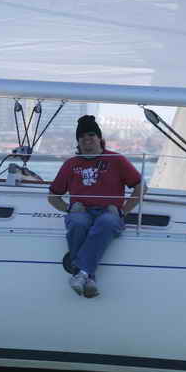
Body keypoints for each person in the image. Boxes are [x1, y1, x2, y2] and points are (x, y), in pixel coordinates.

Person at [47, 115, 144, 298]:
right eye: (82, 136)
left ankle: (81, 274)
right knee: (77, 222)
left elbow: (141, 186)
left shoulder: (116, 160)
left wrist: (123, 211)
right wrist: (68, 208)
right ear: (78, 141)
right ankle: (88, 278)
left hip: (109, 212)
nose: (87, 139)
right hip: (81, 212)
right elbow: (53, 196)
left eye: (91, 134)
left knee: (107, 222)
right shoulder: (70, 164)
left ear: (99, 138)